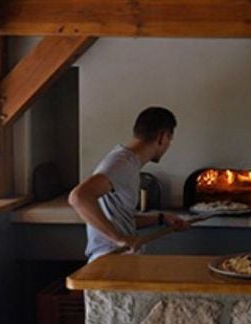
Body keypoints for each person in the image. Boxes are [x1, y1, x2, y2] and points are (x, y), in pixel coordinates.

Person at [68, 107, 190, 262]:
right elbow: (78, 197)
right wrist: (120, 239)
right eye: (169, 140)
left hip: (119, 257)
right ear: (162, 137)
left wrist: (162, 218)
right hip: (111, 258)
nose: (168, 146)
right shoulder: (122, 163)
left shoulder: (128, 163)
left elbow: (121, 219)